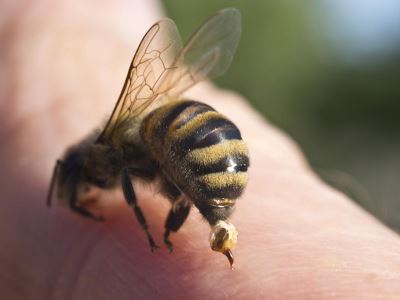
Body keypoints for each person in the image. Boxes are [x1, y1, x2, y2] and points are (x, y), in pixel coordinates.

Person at [1, 1, 399, 299]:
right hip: (212, 142)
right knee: (170, 164)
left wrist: (145, 230)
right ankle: (207, 217)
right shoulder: (140, 139)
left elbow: (136, 173)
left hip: (192, 141)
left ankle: (186, 223)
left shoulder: (111, 151)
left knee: (158, 164)